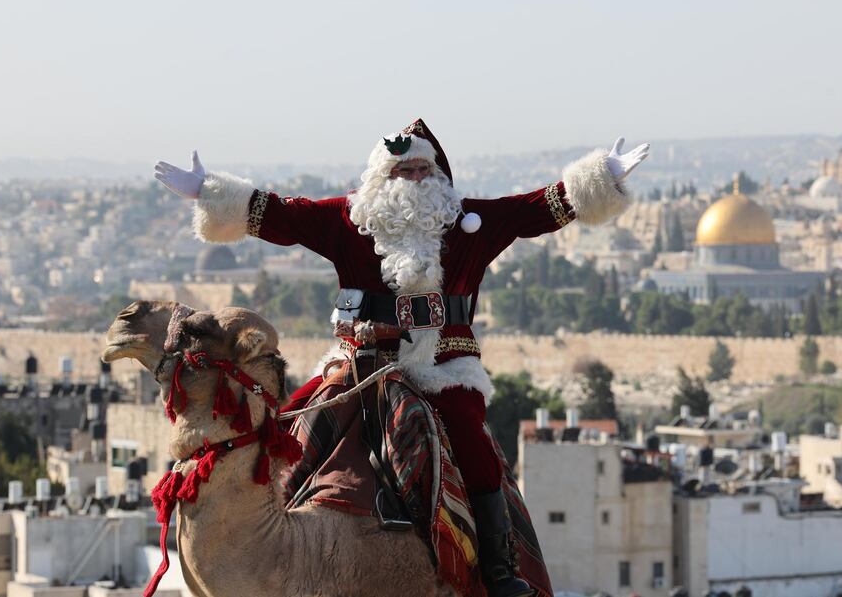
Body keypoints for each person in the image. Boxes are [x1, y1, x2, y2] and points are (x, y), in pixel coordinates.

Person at [155, 119, 648, 597]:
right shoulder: (347, 221)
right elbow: (283, 214)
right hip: (358, 365)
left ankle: (499, 569)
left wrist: (600, 177)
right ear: (380, 178)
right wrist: (209, 192)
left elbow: (535, 209)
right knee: (287, 424)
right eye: (402, 172)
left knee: (472, 449)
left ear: (437, 176)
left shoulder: (469, 223)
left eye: (422, 172)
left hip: (443, 368)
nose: (414, 181)